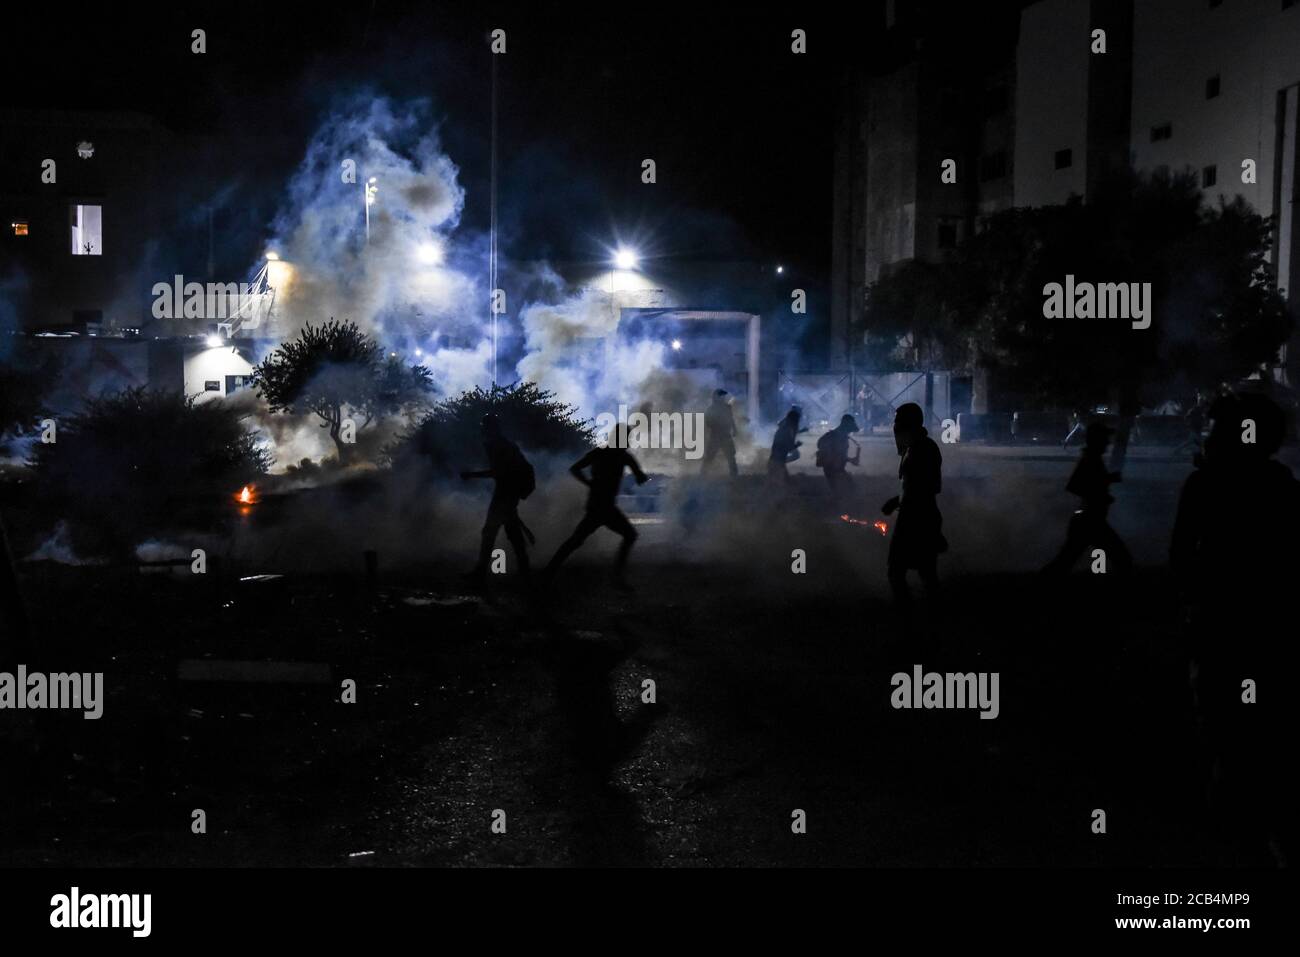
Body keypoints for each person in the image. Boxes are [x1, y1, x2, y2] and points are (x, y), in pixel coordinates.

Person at [1170, 393, 1297, 861]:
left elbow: (1181, 554)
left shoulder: (1206, 484)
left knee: (1223, 717)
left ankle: (1232, 808)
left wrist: (1192, 600)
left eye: (1216, 427)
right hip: (1265, 625)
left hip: (1223, 621)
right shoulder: (1279, 482)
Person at [545, 427, 650, 589]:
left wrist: (589, 483)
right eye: (627, 437)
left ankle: (549, 571)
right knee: (628, 535)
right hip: (603, 507)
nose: (628, 441)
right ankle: (616, 577)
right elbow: (640, 477)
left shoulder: (605, 454)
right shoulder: (622, 456)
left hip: (599, 506)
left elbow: (575, 469)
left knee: (576, 540)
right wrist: (641, 478)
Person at [1042, 422, 1131, 577]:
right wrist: (1103, 481)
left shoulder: (1093, 458)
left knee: (1065, 561)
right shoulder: (1090, 459)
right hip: (1091, 520)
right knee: (1120, 557)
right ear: (1097, 440)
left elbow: (1085, 483)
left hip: (1089, 520)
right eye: (1105, 439)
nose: (1108, 443)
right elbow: (1075, 485)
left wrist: (1106, 479)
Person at [881, 403, 945, 608]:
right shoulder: (914, 448)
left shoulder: (923, 449)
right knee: (924, 572)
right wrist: (897, 500)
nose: (895, 426)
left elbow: (928, 487)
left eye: (898, 421)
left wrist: (899, 502)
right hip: (915, 516)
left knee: (899, 571)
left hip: (917, 518)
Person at [460, 414, 534, 583]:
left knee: (491, 532)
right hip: (508, 493)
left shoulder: (498, 445)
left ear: (490, 427)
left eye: (485, 426)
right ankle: (525, 572)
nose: (483, 429)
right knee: (511, 533)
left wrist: (471, 475)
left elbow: (498, 472)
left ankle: (481, 573)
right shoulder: (502, 444)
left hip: (505, 493)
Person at [816, 414, 860, 500]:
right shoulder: (839, 436)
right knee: (846, 491)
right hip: (834, 469)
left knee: (842, 492)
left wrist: (849, 460)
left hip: (834, 468)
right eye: (851, 424)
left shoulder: (838, 434)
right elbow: (838, 455)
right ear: (847, 425)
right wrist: (850, 460)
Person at [700, 389, 739, 477]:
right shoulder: (711, 409)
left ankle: (734, 475)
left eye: (723, 396)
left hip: (725, 435)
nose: (723, 398)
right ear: (716, 397)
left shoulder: (726, 408)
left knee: (730, 457)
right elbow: (707, 423)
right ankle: (703, 474)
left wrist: (734, 429)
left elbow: (731, 418)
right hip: (716, 435)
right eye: (721, 396)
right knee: (710, 457)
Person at [767, 406, 804, 485]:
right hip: (777, 463)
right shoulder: (788, 430)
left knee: (782, 484)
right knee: (780, 485)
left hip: (775, 462)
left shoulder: (784, 427)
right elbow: (789, 447)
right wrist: (797, 445)